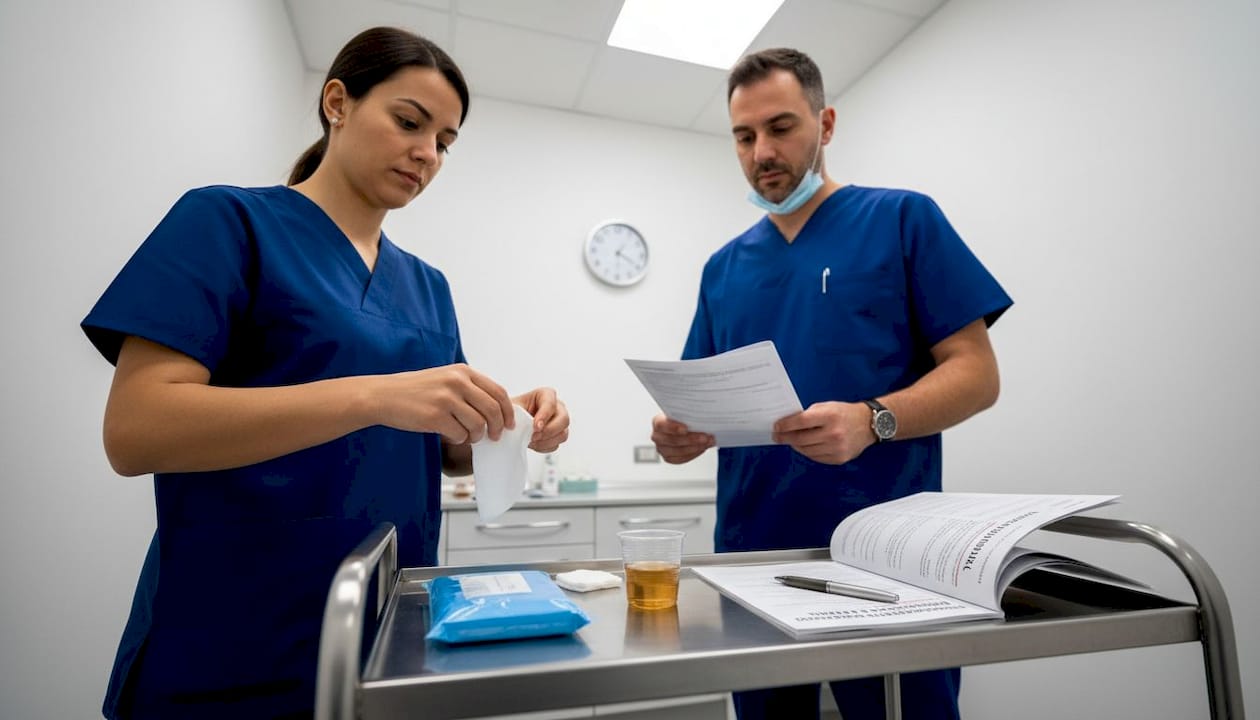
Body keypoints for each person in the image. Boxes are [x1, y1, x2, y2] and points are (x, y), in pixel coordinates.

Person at [81, 27, 569, 719]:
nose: (426, 153)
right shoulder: (229, 223)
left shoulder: (427, 286)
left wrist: (505, 420)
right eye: (408, 122)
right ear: (337, 102)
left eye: (445, 142)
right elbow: (136, 431)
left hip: (382, 632)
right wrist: (373, 395)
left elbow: (442, 450)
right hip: (233, 637)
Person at [650, 48, 1012, 720]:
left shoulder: (902, 219)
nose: (762, 151)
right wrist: (678, 437)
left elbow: (977, 373)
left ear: (827, 122)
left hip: (888, 557)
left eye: (782, 127)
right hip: (754, 555)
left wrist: (872, 418)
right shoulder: (722, 268)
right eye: (743, 135)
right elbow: (697, 405)